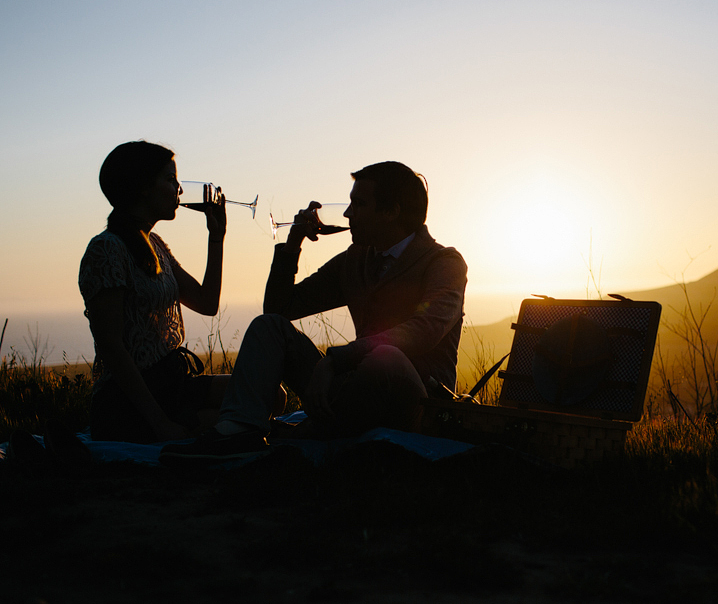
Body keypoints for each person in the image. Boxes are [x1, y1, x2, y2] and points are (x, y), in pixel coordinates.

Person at [160, 161, 467, 461]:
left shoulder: (444, 263)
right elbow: (281, 308)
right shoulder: (357, 259)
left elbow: (425, 330)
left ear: (391, 212)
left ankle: (310, 432)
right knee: (269, 326)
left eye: (358, 204)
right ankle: (238, 431)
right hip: (351, 390)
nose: (347, 214)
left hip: (414, 403)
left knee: (386, 358)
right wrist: (292, 246)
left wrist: (337, 359)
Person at [79, 141, 230, 443]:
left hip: (172, 385)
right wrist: (161, 424)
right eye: (171, 179)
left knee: (268, 394)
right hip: (128, 403)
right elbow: (112, 347)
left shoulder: (155, 245)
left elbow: (207, 303)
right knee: (235, 417)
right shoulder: (107, 249)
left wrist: (216, 239)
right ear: (144, 187)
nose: (180, 189)